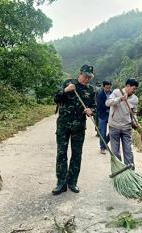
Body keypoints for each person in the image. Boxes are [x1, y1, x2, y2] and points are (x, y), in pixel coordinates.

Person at [52, 64, 96, 195]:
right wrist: (66, 90)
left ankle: (72, 182)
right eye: (86, 76)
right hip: (63, 126)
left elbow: (94, 107)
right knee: (61, 154)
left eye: (90, 77)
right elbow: (56, 98)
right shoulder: (68, 83)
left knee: (76, 155)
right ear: (80, 73)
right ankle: (61, 183)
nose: (87, 79)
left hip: (79, 128)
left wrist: (91, 111)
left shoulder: (91, 90)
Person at [106, 78, 139, 167]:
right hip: (114, 126)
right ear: (128, 86)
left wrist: (135, 121)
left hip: (126, 127)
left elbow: (134, 112)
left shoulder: (135, 99)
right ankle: (119, 170)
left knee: (128, 150)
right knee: (115, 151)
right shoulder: (116, 92)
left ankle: (130, 170)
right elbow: (108, 103)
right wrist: (120, 99)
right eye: (133, 88)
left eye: (136, 89)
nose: (134, 91)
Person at [96, 80, 112, 154]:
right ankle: (102, 147)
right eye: (106, 88)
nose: (108, 89)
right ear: (103, 87)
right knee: (103, 132)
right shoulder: (100, 95)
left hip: (111, 116)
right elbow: (100, 106)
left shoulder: (112, 94)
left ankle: (105, 144)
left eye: (109, 88)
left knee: (112, 131)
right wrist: (109, 105)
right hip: (102, 116)